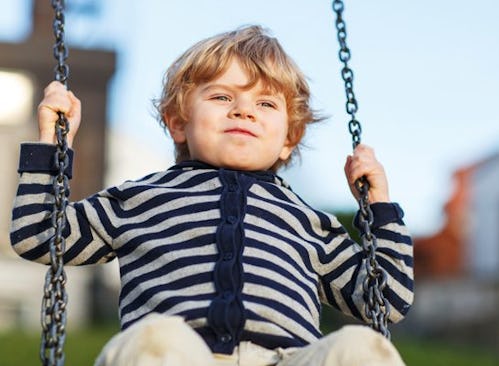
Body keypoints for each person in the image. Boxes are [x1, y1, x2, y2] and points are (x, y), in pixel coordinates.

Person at [11, 25, 414, 366]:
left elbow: (385, 299)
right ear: (178, 124)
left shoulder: (309, 222)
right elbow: (39, 233)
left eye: (266, 103)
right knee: (154, 342)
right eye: (222, 97)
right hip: (181, 354)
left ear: (289, 139)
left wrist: (379, 208)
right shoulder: (140, 198)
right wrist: (52, 143)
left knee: (362, 348)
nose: (244, 110)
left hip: (284, 359)